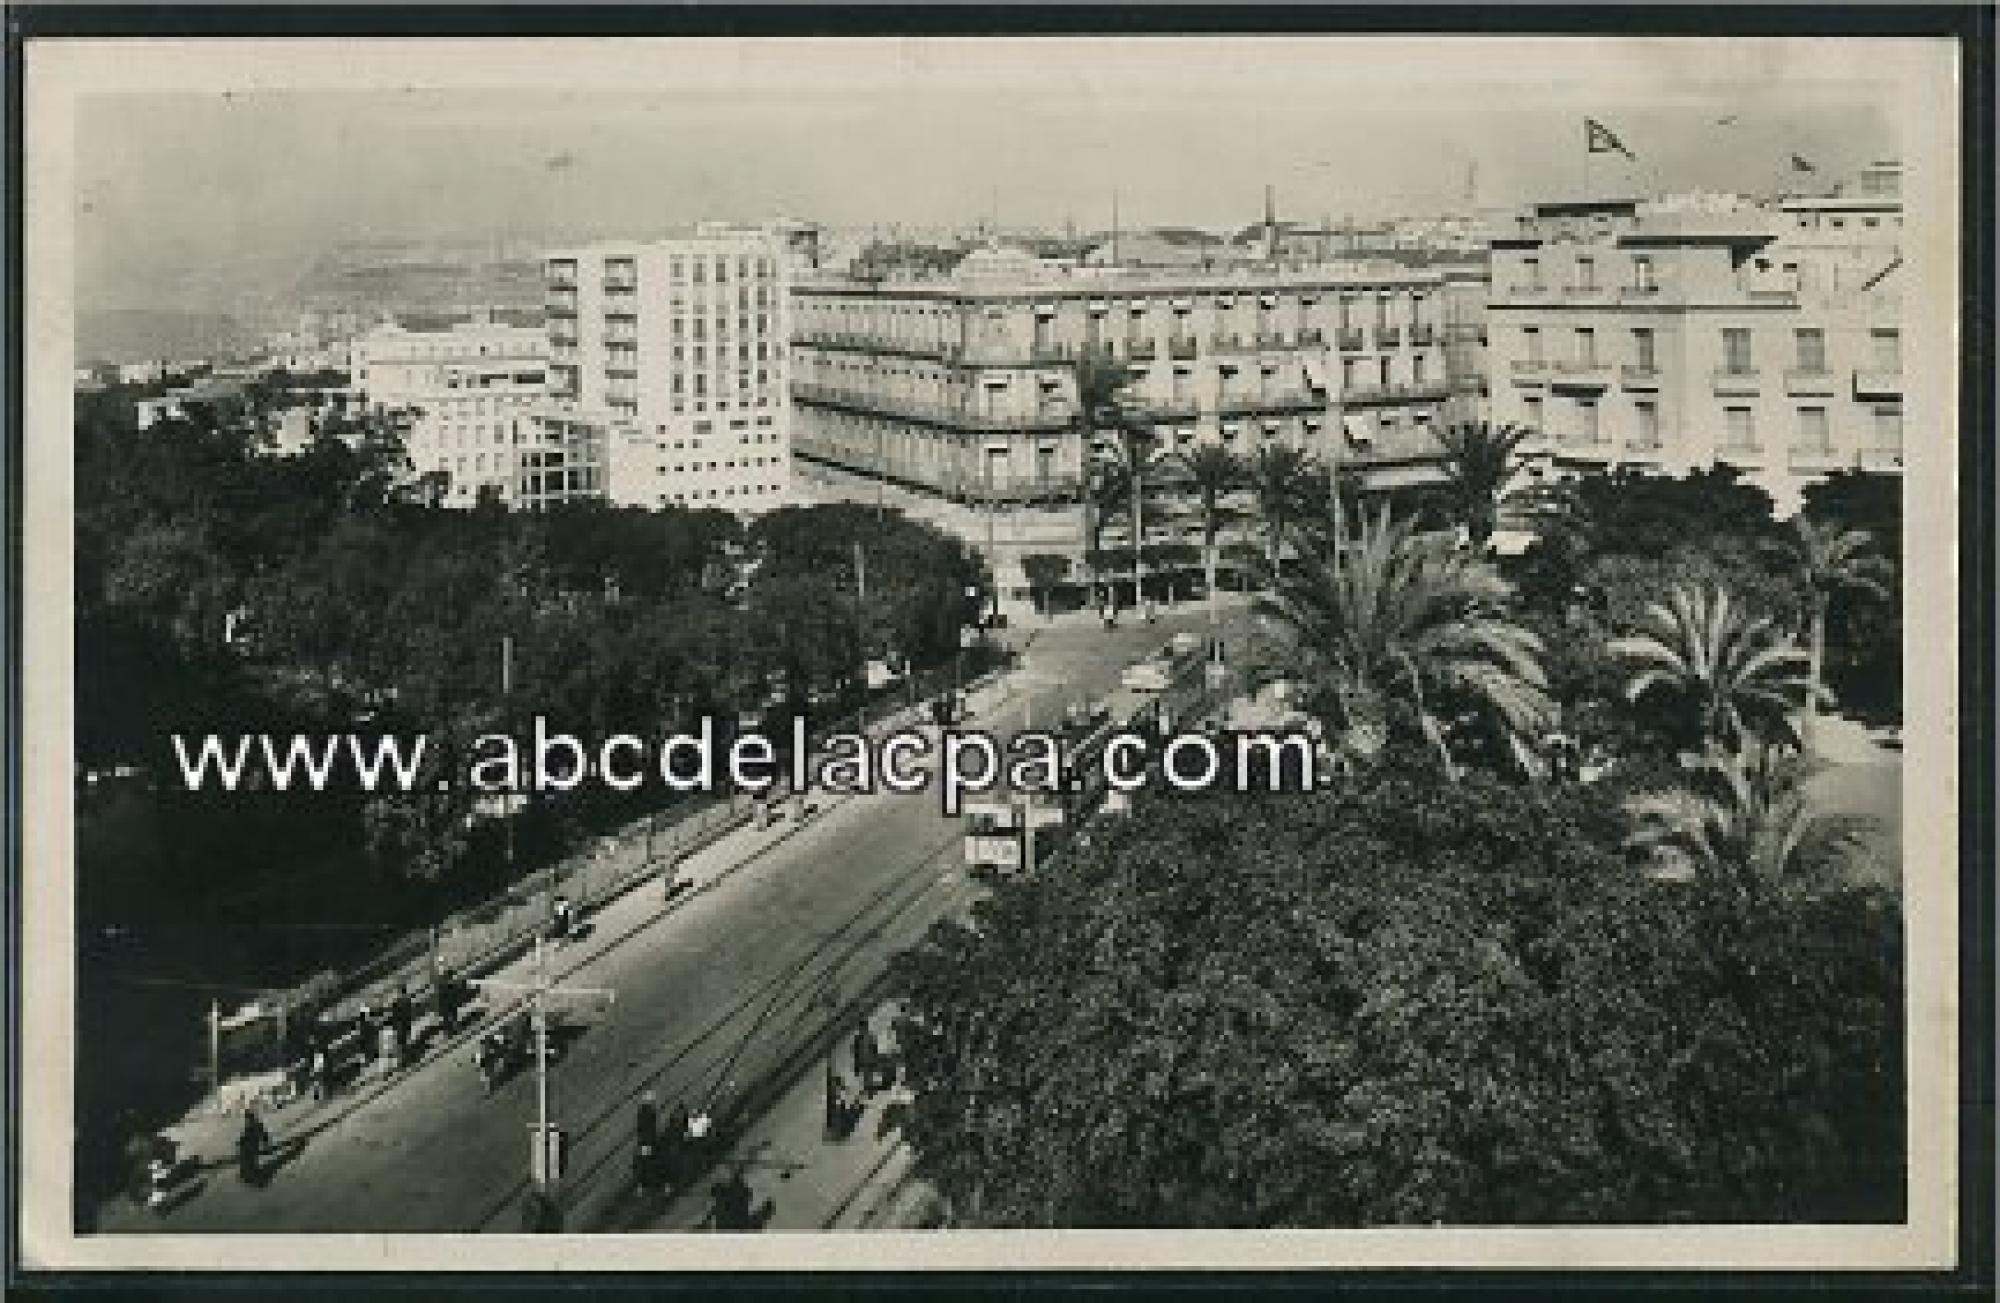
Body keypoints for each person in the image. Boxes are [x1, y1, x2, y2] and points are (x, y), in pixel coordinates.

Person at [633, 1091, 661, 1191]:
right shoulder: (650, 1112)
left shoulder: (641, 1112)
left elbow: (641, 1128)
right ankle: (644, 1184)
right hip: (648, 1141)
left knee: (644, 1162)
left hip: (644, 1141)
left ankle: (641, 1184)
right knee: (647, 1162)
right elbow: (651, 1128)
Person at [236, 1107, 270, 1186]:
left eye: (248, 1118)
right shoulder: (251, 1126)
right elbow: (264, 1136)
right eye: (247, 1118)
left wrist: (265, 1146)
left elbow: (264, 1136)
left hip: (252, 1147)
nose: (247, 1120)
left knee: (250, 1160)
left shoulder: (256, 1126)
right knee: (248, 1160)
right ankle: (248, 1172)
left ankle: (249, 1173)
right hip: (250, 1147)